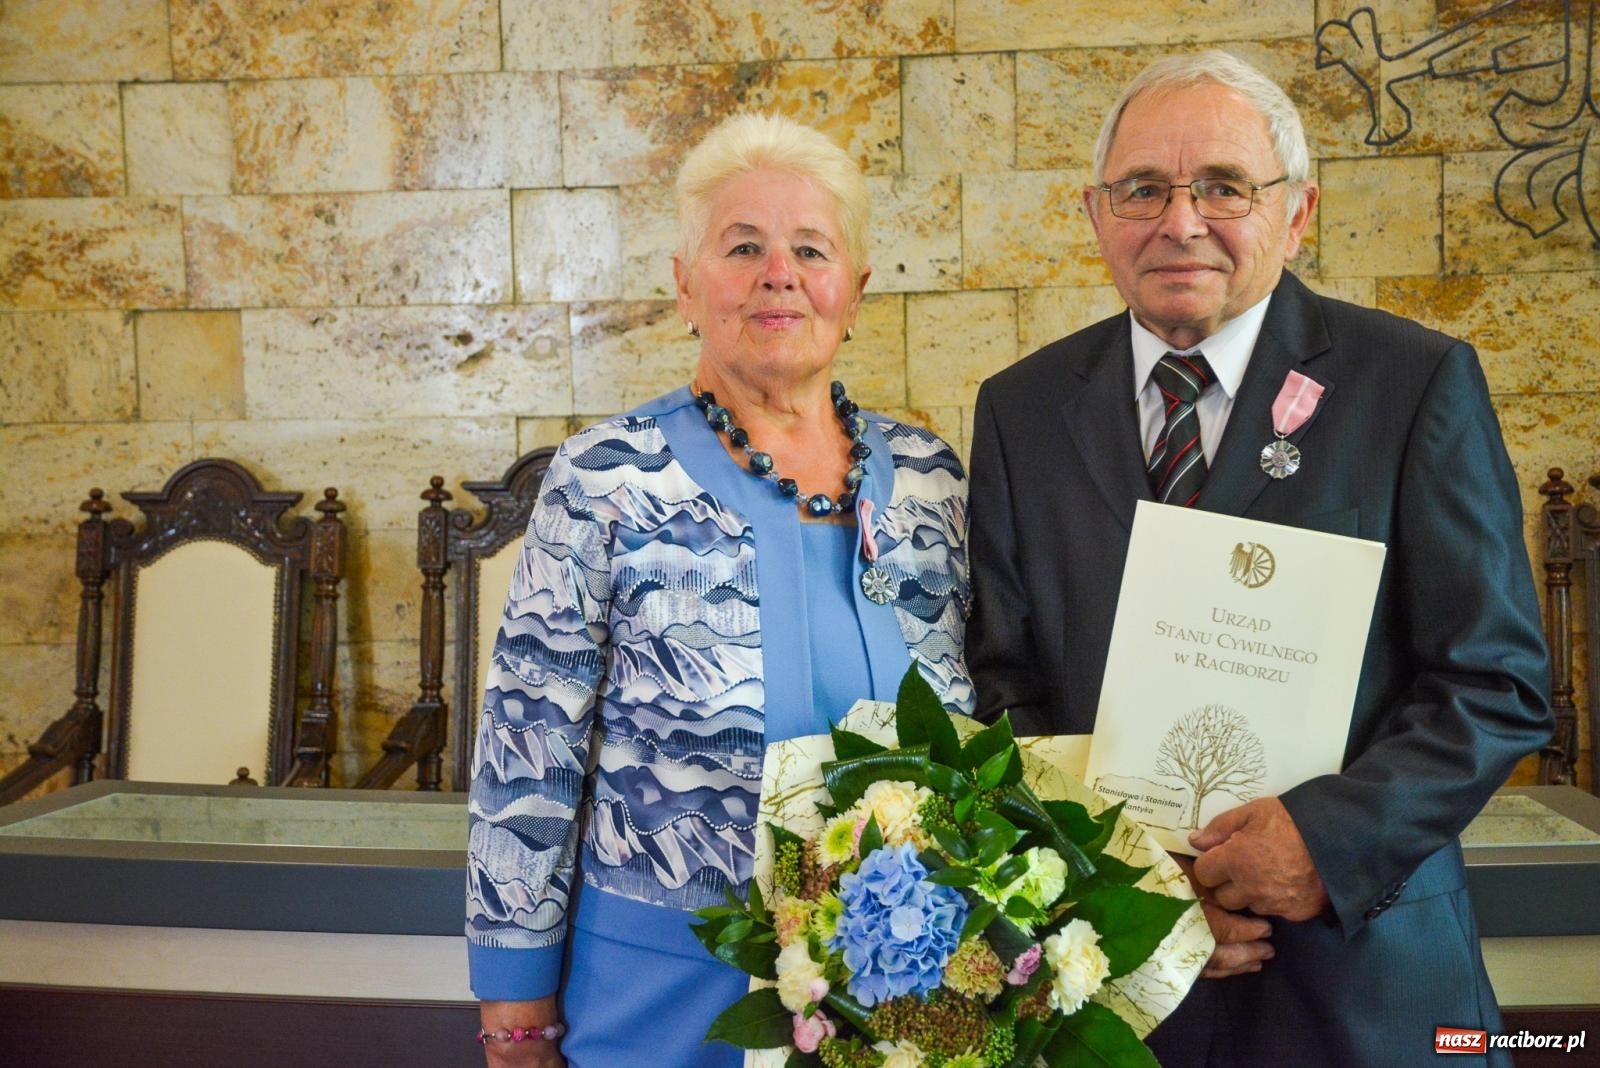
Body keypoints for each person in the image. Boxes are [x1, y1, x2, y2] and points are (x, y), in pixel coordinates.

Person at [965, 51, 1551, 1066]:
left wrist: (1323, 843)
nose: (1178, 221)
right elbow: (1004, 681)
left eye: (1224, 187)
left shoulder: (1411, 384)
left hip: (1362, 982)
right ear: (1097, 213)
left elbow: (1495, 680)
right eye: (1141, 188)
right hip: (1119, 987)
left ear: (1297, 210)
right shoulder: (1022, 409)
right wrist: (1116, 884)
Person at [466, 112, 974, 1067]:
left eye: (809, 249)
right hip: (664, 997)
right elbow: (526, 751)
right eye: (743, 246)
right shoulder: (604, 479)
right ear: (685, 287)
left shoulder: (930, 477)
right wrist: (515, 1008)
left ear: (853, 291)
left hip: (901, 992)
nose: (778, 272)